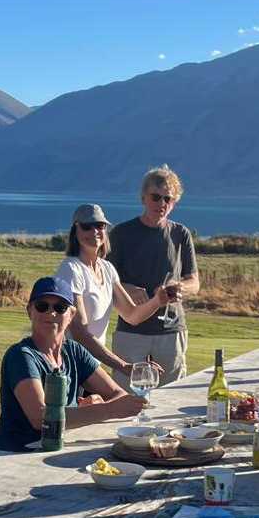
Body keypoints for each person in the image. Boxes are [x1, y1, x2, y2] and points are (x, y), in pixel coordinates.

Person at [0, 277, 147, 451]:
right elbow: (41, 417)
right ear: (29, 311)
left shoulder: (74, 351)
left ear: (71, 315)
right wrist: (106, 410)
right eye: (42, 306)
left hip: (62, 447)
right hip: (16, 454)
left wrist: (95, 406)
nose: (51, 313)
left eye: (60, 308)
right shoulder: (21, 356)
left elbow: (117, 393)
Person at [54, 203, 174, 377]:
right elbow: (80, 332)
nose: (94, 231)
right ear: (75, 231)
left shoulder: (107, 268)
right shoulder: (71, 269)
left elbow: (132, 315)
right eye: (87, 226)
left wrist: (157, 301)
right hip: (70, 366)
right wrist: (124, 366)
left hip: (90, 365)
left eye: (100, 226)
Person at [107, 165, 200, 388]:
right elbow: (104, 279)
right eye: (156, 197)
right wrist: (128, 288)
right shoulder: (121, 234)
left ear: (174, 202)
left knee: (170, 396)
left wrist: (180, 288)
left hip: (171, 329)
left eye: (168, 199)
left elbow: (194, 282)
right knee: (124, 397)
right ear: (143, 197)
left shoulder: (181, 234)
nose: (161, 204)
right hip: (131, 330)